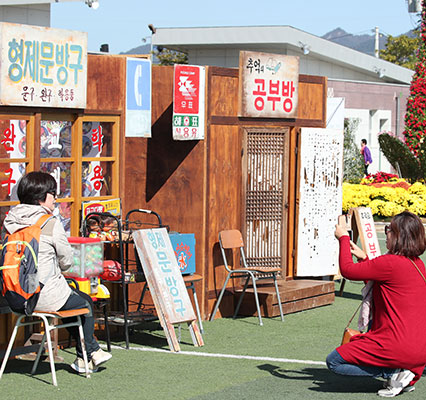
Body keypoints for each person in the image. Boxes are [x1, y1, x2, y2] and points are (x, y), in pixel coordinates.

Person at [2, 171, 112, 374]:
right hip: (42, 295)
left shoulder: (9, 222)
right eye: (53, 194)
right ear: (41, 197)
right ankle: (89, 352)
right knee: (85, 302)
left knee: (75, 299)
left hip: (15, 295)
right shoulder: (50, 223)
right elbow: (67, 261)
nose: (56, 198)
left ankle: (87, 355)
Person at [327, 211, 426, 397]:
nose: (387, 233)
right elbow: (382, 285)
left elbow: (347, 271)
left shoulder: (389, 262)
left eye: (390, 230)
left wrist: (343, 238)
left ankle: (393, 373)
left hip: (399, 345)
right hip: (419, 348)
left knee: (334, 361)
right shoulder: (418, 264)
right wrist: (364, 259)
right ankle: (402, 372)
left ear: (399, 236)